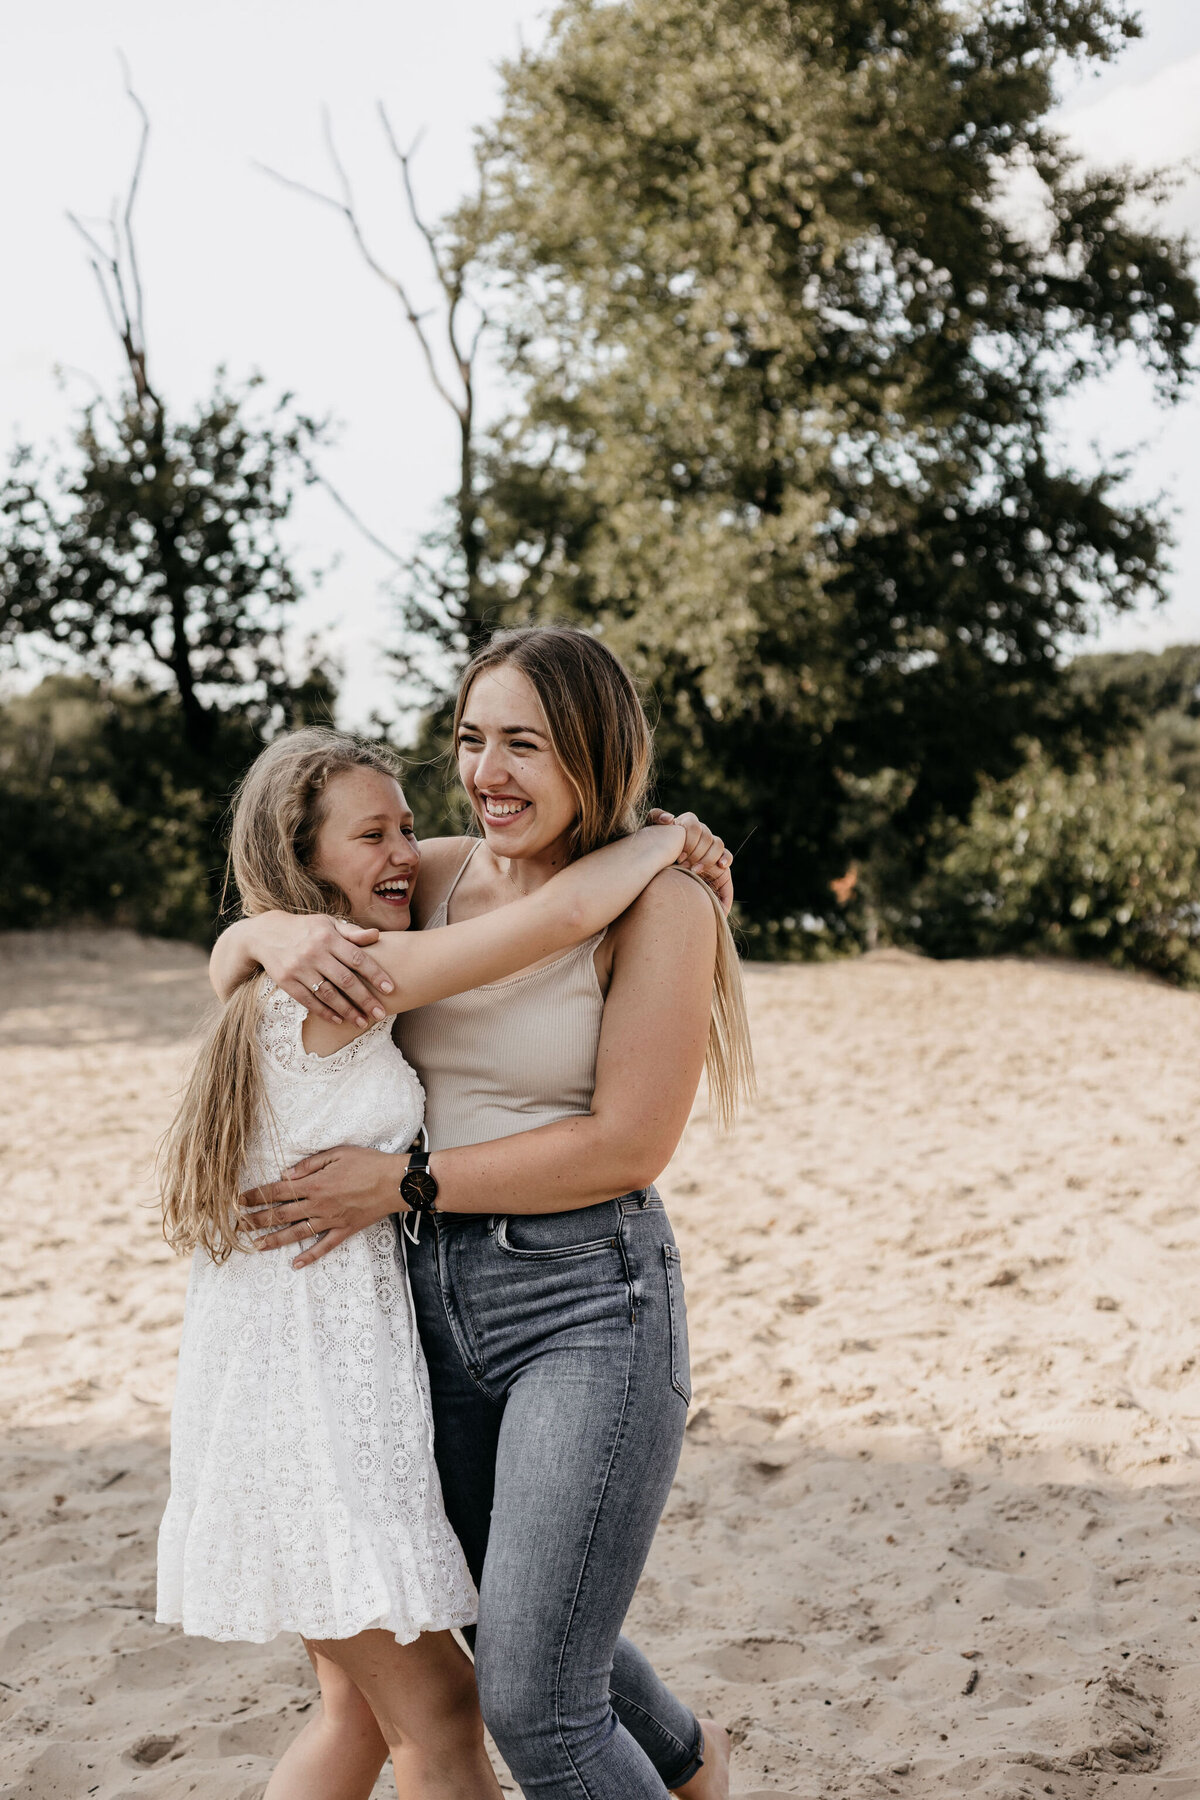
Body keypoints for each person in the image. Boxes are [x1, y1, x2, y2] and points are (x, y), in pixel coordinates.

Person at [214, 625, 755, 1800]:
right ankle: (688, 1760)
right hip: (420, 1313)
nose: (485, 773)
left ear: (594, 754)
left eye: (524, 743)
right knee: (525, 1621)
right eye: (471, 740)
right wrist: (264, 929)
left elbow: (627, 1145)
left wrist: (406, 1186)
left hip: (584, 1303)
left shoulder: (663, 907)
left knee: (535, 1703)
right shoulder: (437, 874)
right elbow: (290, 907)